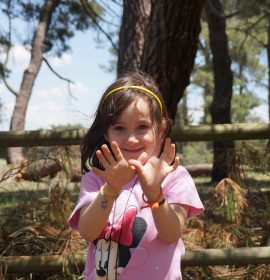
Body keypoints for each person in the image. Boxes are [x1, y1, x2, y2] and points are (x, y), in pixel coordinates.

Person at [69, 71, 204, 280]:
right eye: (120, 128)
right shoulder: (97, 177)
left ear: (161, 129)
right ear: (106, 132)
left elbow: (171, 234)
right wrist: (111, 189)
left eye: (142, 127)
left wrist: (154, 194)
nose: (131, 139)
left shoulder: (174, 177)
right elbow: (87, 232)